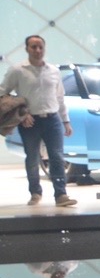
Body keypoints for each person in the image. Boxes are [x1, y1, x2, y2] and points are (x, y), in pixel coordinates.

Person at [2, 34, 76, 207]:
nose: (37, 50)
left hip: (52, 119)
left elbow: (60, 97)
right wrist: (21, 113)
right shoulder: (18, 70)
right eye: (33, 47)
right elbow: (3, 92)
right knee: (32, 158)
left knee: (57, 157)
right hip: (30, 121)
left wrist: (66, 121)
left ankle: (61, 194)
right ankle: (35, 192)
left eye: (40, 47)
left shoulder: (53, 70)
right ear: (27, 49)